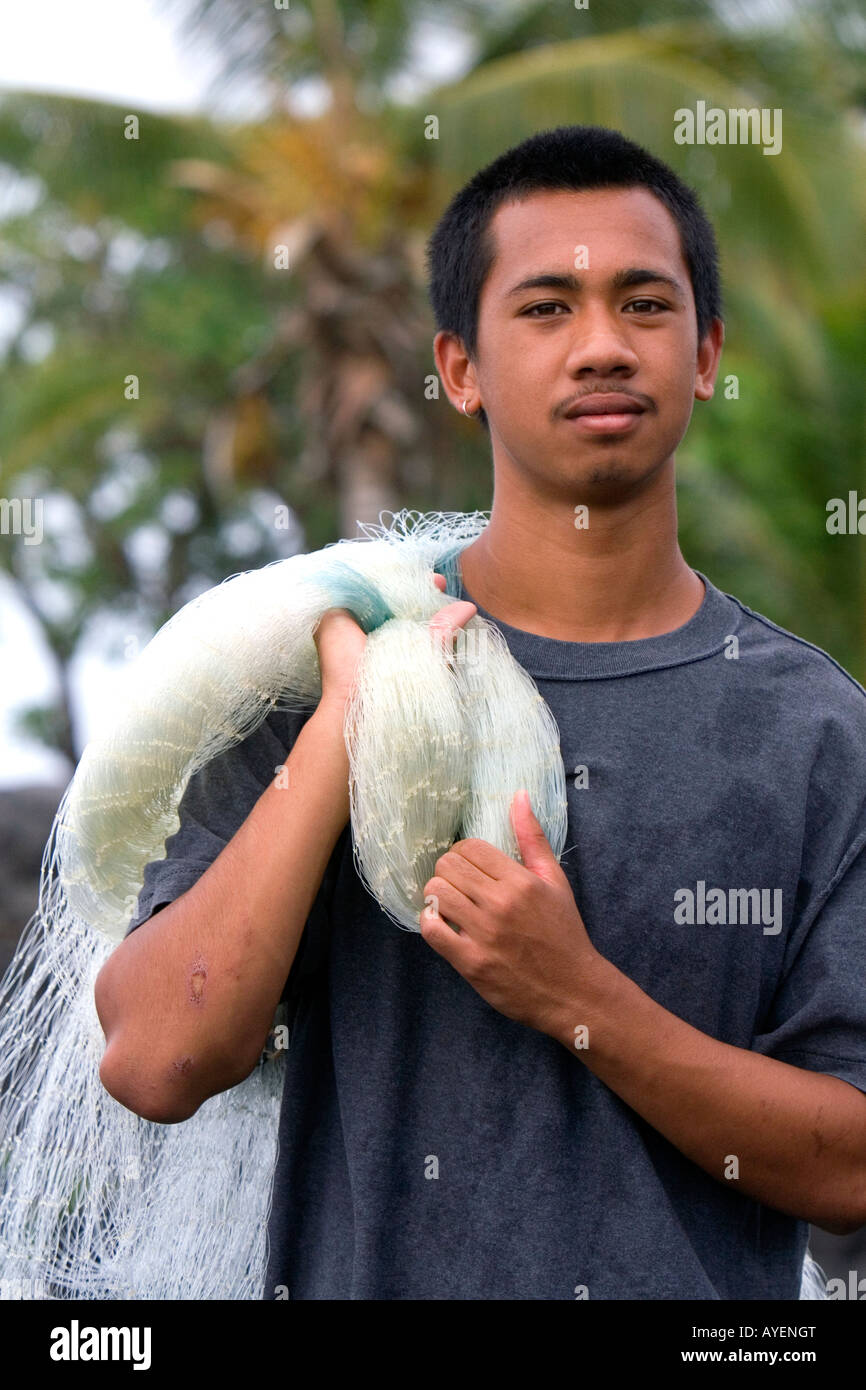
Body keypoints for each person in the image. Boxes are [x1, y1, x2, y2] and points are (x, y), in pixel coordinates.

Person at [95, 124, 866, 1300]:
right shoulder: (312, 674)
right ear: (459, 369)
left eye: (644, 305)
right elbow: (158, 1056)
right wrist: (348, 718)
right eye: (546, 307)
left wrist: (576, 997)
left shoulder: (812, 731)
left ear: (705, 353)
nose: (601, 345)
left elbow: (849, 1162)